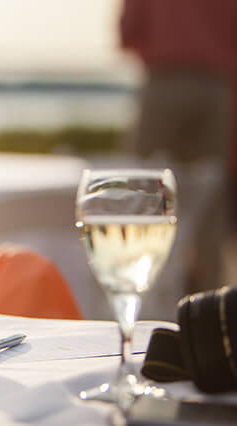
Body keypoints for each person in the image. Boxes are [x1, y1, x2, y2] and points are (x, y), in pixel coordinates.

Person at [120, 0, 237, 294]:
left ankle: (141, 293)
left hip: (166, 80)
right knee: (210, 204)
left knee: (143, 195)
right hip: (217, 86)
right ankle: (210, 307)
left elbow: (127, 32)